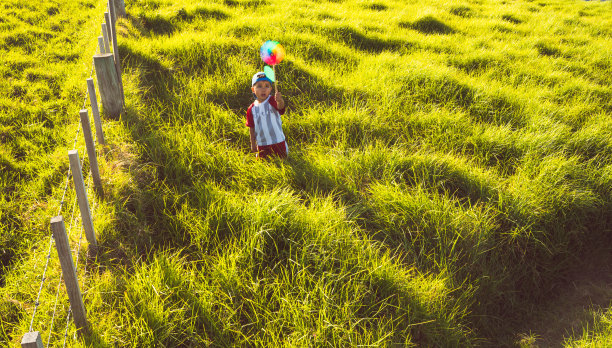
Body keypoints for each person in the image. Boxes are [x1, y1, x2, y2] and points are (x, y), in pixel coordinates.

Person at [245, 71, 288, 159]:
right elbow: (251, 128)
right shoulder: (251, 109)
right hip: (262, 144)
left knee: (283, 161)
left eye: (267, 86)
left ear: (271, 89)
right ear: (253, 89)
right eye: (259, 86)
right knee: (264, 163)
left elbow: (281, 108)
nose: (263, 89)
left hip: (278, 141)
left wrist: (280, 101)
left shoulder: (272, 100)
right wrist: (253, 144)